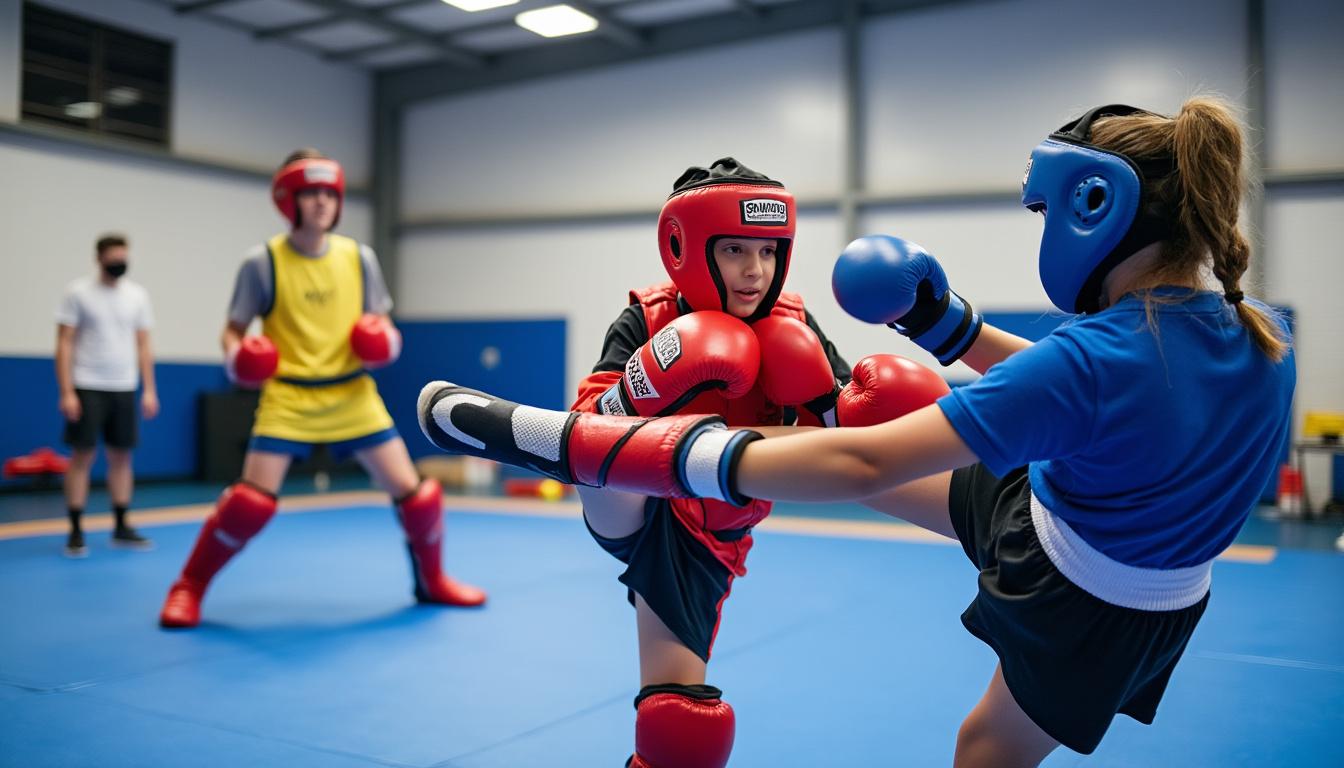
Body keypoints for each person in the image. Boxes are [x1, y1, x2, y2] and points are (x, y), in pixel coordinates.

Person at [416, 99, 1296, 766]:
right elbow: (1075, 383)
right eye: (734, 250)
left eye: (766, 251)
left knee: (966, 743)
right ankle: (551, 440)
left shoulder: (1087, 361)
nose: (755, 269)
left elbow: (862, 447)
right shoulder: (1260, 331)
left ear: (1093, 207)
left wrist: (756, 441)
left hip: (1072, 578)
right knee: (678, 638)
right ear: (688, 249)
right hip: (655, 501)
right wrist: (944, 326)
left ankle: (570, 446)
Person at [158, 149, 485, 629]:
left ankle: (433, 580)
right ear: (288, 200)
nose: (321, 203)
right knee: (249, 502)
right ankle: (188, 586)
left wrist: (385, 340)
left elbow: (381, 320)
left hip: (352, 391)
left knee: (417, 494)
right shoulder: (263, 261)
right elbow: (232, 328)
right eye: (310, 193)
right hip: (289, 394)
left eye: (329, 193)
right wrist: (238, 354)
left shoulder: (359, 258)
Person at [56, 233, 158, 557]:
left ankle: (121, 526)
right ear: (99, 258)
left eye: (123, 257)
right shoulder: (78, 293)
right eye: (114, 258)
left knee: (122, 456)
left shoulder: (137, 296)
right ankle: (75, 529)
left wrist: (149, 389)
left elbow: (143, 344)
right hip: (87, 384)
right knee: (83, 455)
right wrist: (67, 390)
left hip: (124, 386)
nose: (119, 263)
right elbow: (65, 343)